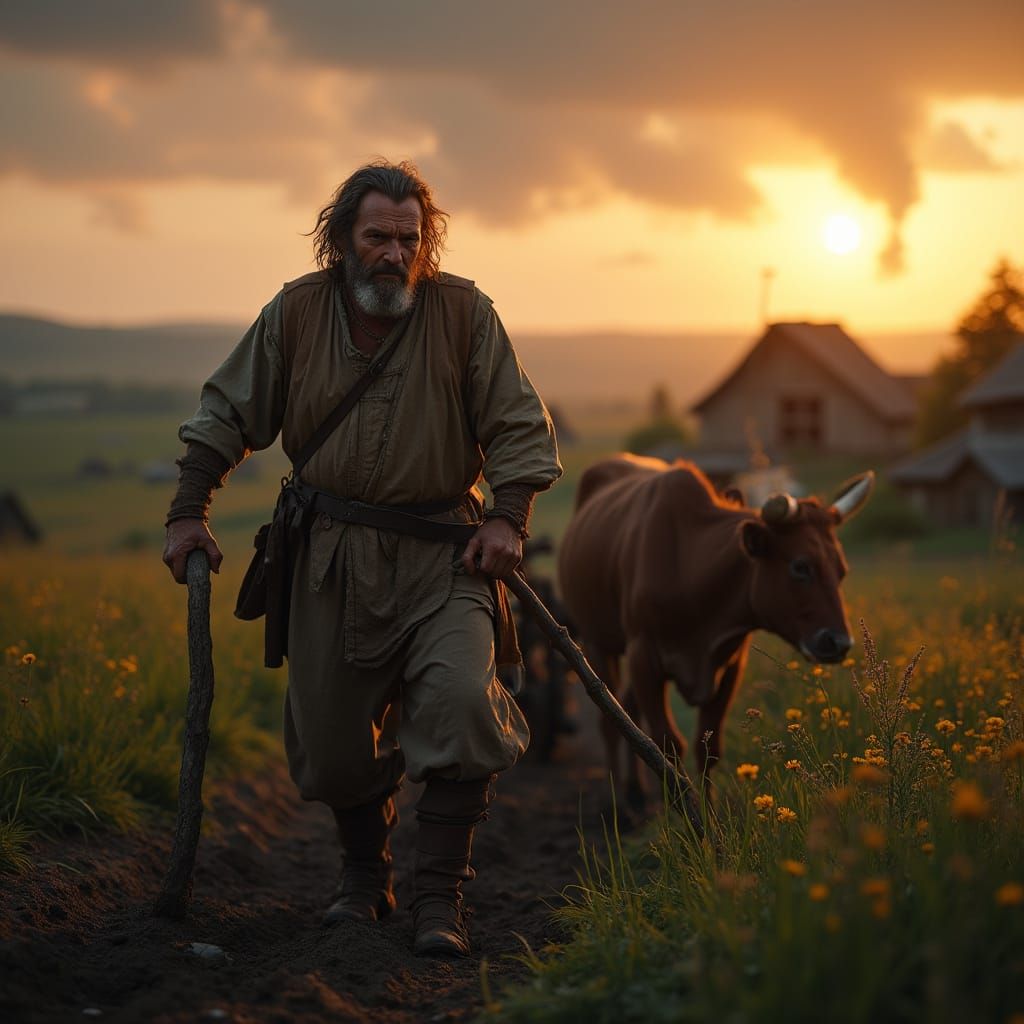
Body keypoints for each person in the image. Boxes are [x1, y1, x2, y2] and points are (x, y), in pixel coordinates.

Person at [161, 160, 562, 957]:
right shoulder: (297, 314)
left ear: (427, 241)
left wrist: (508, 520)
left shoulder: (464, 315)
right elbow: (228, 411)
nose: (393, 253)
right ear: (341, 239)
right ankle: (362, 876)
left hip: (447, 557)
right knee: (334, 740)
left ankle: (440, 898)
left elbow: (518, 425)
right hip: (328, 558)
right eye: (376, 236)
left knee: (460, 702)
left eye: (408, 239)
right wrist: (187, 512)